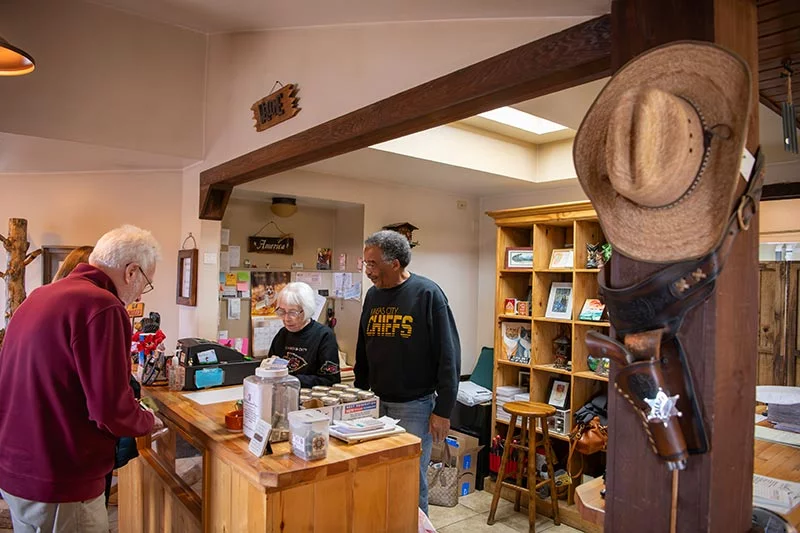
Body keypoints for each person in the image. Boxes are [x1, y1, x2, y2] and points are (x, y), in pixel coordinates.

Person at [0, 225, 161, 533]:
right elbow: (110, 410)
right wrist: (146, 421)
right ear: (131, 272)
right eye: (146, 283)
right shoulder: (102, 306)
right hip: (60, 478)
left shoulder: (40, 295)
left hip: (17, 468)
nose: (140, 293)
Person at [354, 230, 461, 515]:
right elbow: (364, 344)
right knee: (377, 475)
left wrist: (444, 410)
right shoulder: (373, 296)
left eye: (373, 264)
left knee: (411, 481)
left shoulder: (427, 294)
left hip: (415, 406)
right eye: (366, 263)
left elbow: (448, 355)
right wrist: (358, 392)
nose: (368, 271)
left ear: (395, 263)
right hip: (375, 402)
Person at [268, 282, 341, 387]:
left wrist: (290, 379)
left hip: (312, 400)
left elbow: (330, 381)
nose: (286, 318)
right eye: (282, 312)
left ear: (307, 310)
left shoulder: (324, 336)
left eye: (293, 312)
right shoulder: (282, 334)